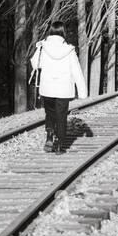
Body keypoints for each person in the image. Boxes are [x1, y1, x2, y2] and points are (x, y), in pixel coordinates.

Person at [30, 21, 88, 153]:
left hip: (47, 88)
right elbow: (77, 71)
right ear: (63, 32)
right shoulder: (69, 50)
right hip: (63, 89)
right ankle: (60, 144)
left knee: (50, 113)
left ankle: (49, 136)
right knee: (61, 116)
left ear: (50, 32)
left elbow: (34, 63)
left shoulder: (43, 47)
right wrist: (82, 92)